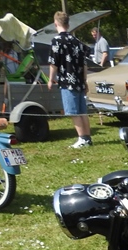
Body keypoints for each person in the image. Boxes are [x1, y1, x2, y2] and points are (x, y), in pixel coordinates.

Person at [47, 12, 93, 148]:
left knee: (73, 112)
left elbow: (53, 63)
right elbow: (84, 63)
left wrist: (50, 79)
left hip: (67, 82)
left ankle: (82, 139)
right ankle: (87, 138)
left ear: (56, 23)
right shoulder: (76, 41)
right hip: (79, 81)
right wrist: (85, 81)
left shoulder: (56, 41)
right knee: (82, 111)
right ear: (68, 24)